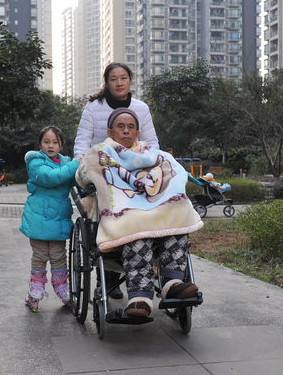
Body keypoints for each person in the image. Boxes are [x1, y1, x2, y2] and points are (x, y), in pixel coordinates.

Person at [76, 108, 203, 319]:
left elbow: (173, 171)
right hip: (128, 211)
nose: (126, 130)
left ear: (137, 133)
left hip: (154, 207)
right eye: (120, 126)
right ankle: (140, 297)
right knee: (138, 226)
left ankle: (173, 283)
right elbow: (82, 175)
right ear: (110, 132)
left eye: (131, 127)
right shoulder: (100, 152)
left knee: (177, 213)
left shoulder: (152, 154)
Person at [73, 62, 159, 299]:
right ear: (107, 82)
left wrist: (153, 164)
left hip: (134, 169)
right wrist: (83, 167)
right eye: (114, 79)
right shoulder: (94, 108)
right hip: (103, 169)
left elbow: (152, 143)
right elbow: (82, 142)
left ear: (130, 80)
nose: (119, 83)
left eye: (123, 78)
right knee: (105, 209)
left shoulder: (141, 108)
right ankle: (108, 276)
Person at [20, 126, 80, 312]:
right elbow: (51, 177)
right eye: (46, 142)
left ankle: (62, 288)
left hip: (58, 220)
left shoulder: (66, 164)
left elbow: (76, 182)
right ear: (40, 144)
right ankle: (36, 291)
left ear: (61, 145)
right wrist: (76, 163)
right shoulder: (36, 163)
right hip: (38, 219)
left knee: (58, 256)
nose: (50, 145)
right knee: (39, 256)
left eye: (55, 142)